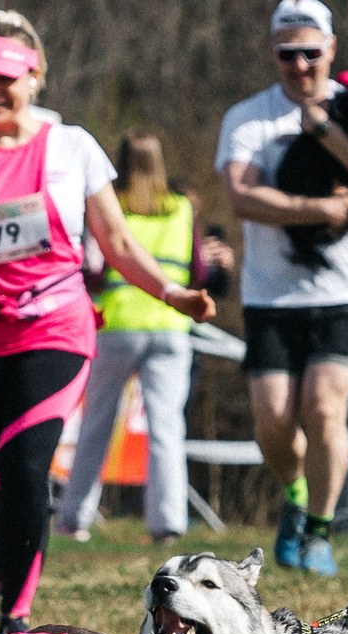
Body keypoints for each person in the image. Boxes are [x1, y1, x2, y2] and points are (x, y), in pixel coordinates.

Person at [0, 12, 214, 630]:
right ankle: (1, 535)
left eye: (5, 80)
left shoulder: (72, 147)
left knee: (26, 465)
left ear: (36, 77)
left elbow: (119, 243)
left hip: (53, 326)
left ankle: (15, 613)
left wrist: (170, 292)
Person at [217, 0, 348, 577]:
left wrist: (324, 129)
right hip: (271, 294)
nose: (299, 66)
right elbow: (241, 196)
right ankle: (295, 494)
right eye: (286, 55)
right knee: (274, 423)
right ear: (272, 55)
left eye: (310, 53)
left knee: (324, 407)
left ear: (331, 49)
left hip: (347, 289)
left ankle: (321, 531)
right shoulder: (247, 118)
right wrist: (319, 209)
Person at [56, 132, 228, 545]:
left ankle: (74, 517)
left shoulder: (109, 207)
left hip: (117, 327)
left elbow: (94, 270)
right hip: (170, 329)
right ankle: (167, 524)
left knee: (96, 423)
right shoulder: (183, 209)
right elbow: (199, 273)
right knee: (167, 428)